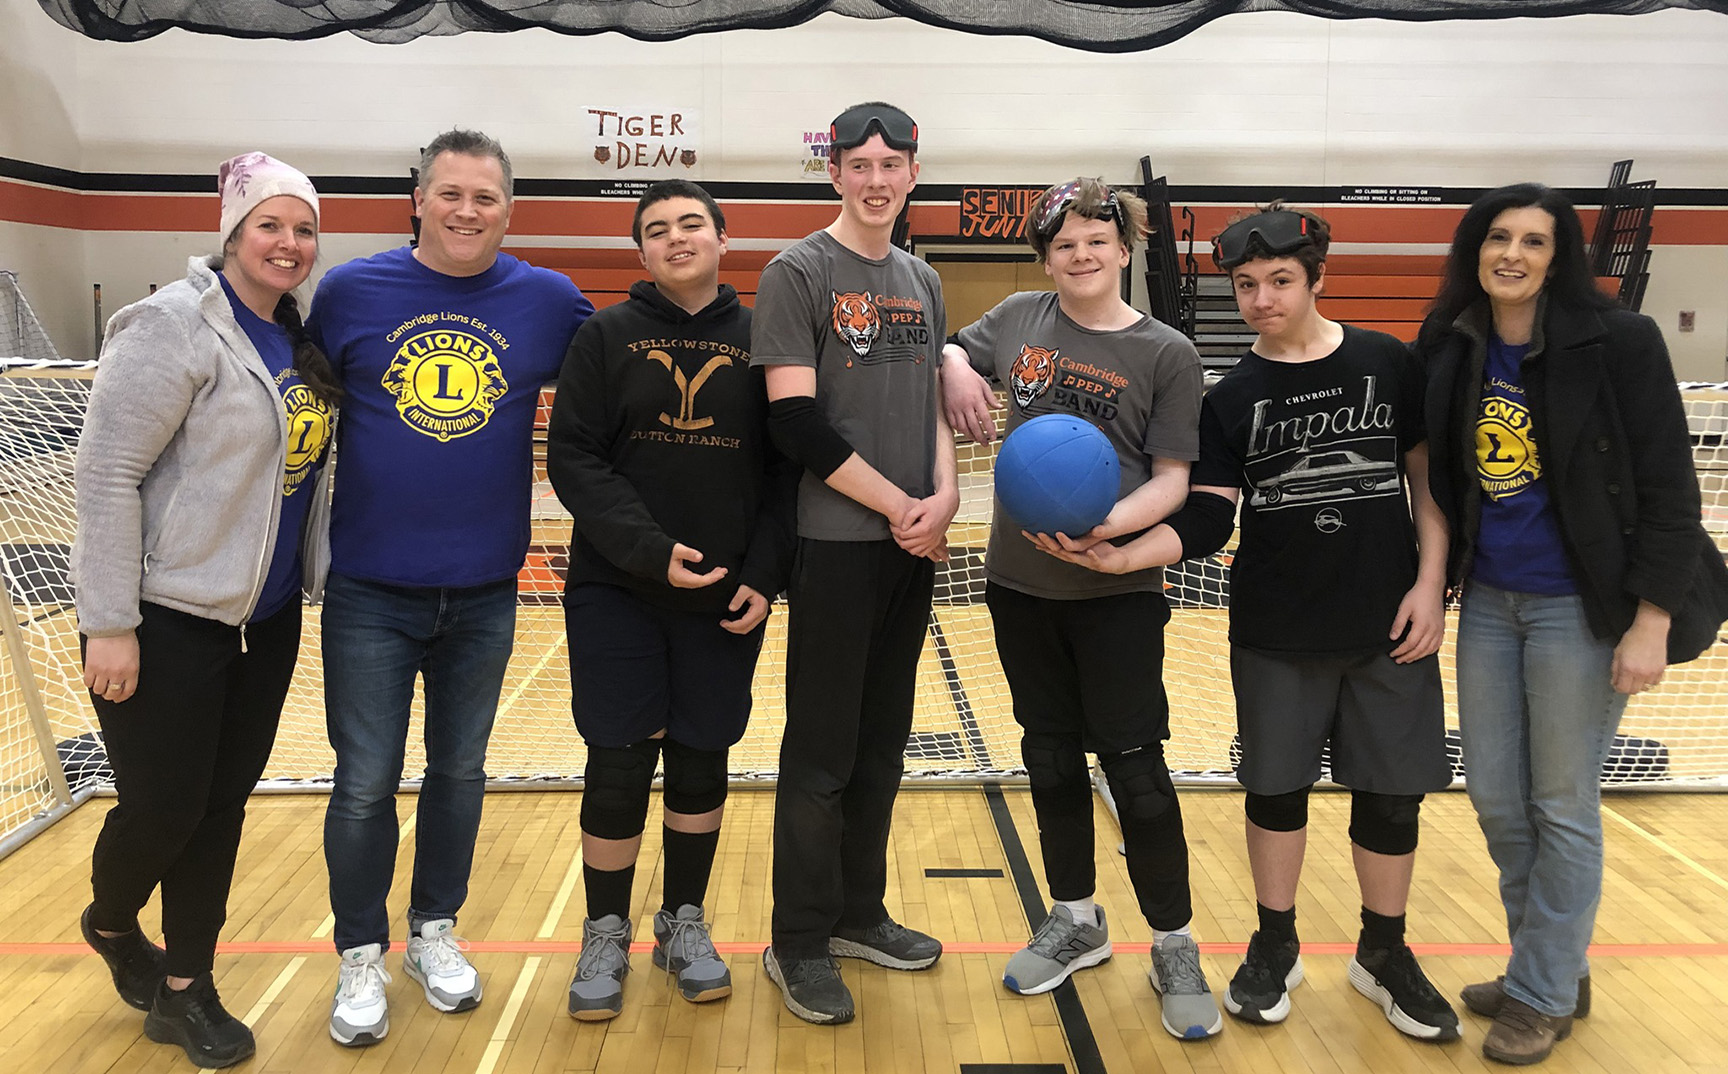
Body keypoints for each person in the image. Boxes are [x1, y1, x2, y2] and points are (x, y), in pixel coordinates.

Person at [1039, 204, 1461, 1042]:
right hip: (1276, 627)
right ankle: (1275, 942)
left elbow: (1428, 482)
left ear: (1316, 279)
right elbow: (1208, 516)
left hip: (1388, 621)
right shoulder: (1228, 397)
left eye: (1279, 282)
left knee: (1390, 796)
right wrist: (1128, 556)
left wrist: (1432, 581)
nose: (1262, 299)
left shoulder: (1386, 362)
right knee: (1275, 793)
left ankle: (1384, 952)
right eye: (1246, 286)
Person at [307, 129, 594, 1046]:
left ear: (508, 210)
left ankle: (433, 931)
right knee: (363, 783)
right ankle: (360, 953)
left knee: (459, 774)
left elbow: (629, 361)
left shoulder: (547, 301)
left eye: (486, 198)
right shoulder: (351, 291)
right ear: (419, 201)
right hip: (368, 592)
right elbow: (283, 389)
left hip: (483, 591)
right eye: (451, 193)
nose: (468, 211)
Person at [1415, 183, 1710, 1065]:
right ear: (1475, 249)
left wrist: (1651, 620)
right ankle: (1551, 963)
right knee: (1500, 799)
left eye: (1534, 241)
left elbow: (1669, 488)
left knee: (1562, 803)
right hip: (1492, 601)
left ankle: (1541, 993)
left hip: (1581, 607)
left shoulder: (1619, 340)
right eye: (1497, 237)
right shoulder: (1454, 342)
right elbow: (1435, 469)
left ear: (1560, 255)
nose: (1513, 253)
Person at [940, 177, 1221, 1040]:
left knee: (1135, 771)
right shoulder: (1021, 317)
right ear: (1046, 256)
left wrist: (1109, 533)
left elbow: (1174, 478)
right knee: (1051, 759)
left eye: (1097, 240)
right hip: (1021, 586)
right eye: (1064, 244)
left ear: (1124, 249)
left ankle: (1174, 943)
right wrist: (954, 363)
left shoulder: (1167, 352)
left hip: (1117, 592)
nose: (1081, 255)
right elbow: (955, 345)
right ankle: (1076, 920)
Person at [74, 151, 336, 1068]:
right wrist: (109, 620)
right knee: (161, 806)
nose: (290, 243)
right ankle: (111, 924)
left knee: (220, 805)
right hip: (163, 615)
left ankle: (187, 986)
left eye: (304, 228)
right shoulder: (171, 325)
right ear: (231, 233)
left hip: (263, 623)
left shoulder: (299, 337)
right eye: (270, 224)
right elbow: (107, 475)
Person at [545, 180, 796, 1020]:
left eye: (693, 223)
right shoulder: (604, 335)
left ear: (724, 238)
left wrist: (764, 573)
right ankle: (605, 929)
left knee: (700, 755)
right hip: (618, 587)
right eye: (657, 230)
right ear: (640, 251)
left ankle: (683, 922)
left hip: (724, 595)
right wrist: (651, 552)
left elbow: (785, 470)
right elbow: (575, 458)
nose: (676, 238)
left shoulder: (767, 337)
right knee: (619, 757)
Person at [751, 101, 957, 1025]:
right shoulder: (799, 271)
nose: (876, 179)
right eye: (858, 164)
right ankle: (796, 939)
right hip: (837, 548)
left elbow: (932, 417)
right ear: (833, 173)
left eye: (892, 164)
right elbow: (795, 420)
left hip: (913, 546)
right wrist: (896, 505)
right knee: (823, 752)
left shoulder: (921, 278)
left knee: (881, 747)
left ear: (914, 172)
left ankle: (857, 914)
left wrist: (945, 499)